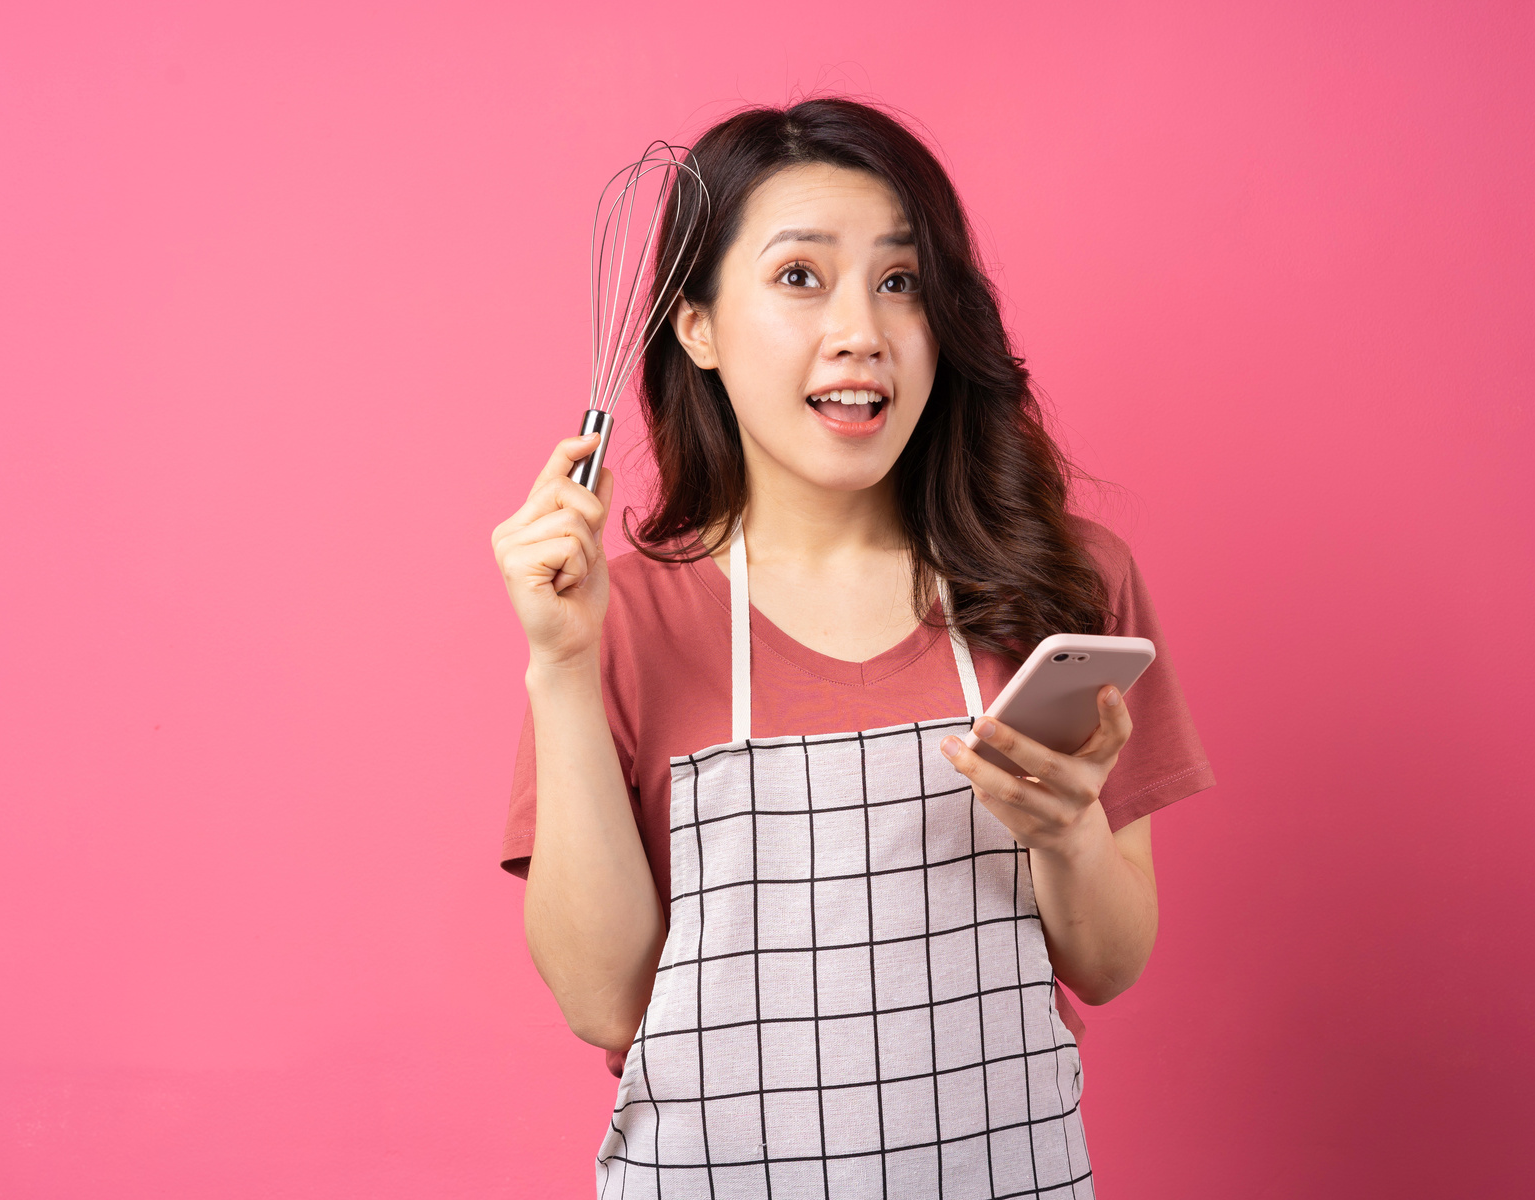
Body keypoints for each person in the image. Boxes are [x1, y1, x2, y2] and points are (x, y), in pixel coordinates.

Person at [491, 98, 1214, 1200]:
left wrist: (1066, 830)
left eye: (900, 280)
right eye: (798, 277)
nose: (862, 331)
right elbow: (603, 1001)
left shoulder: (1058, 588)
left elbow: (1107, 967)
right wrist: (557, 664)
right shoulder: (620, 622)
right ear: (698, 329)